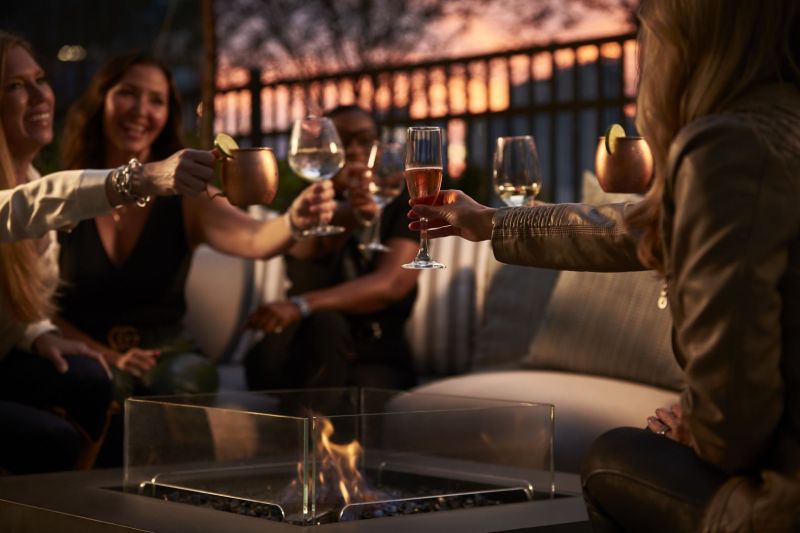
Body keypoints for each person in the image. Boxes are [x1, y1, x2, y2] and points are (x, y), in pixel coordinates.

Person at [409, 1, 800, 530]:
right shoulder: (782, 123)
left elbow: (732, 429)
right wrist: (489, 223)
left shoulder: (731, 142)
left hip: (781, 497)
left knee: (611, 461)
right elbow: (634, 228)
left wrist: (698, 428)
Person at [53, 52, 334, 465]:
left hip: (169, 353)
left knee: (183, 378)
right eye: (127, 94)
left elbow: (255, 238)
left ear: (168, 115)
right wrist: (107, 355)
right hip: (80, 349)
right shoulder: (63, 193)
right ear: (101, 101)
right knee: (99, 382)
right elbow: (36, 304)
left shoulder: (187, 196)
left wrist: (294, 221)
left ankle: (172, 507)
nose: (141, 111)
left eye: (156, 100)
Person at [0, 32, 215, 474]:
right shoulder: (49, 192)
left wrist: (36, 334)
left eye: (40, 79)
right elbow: (21, 209)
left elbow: (24, 303)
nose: (40, 95)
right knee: (55, 434)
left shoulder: (35, 175)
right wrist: (140, 179)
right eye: (15, 85)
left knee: (91, 381)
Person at [243, 105, 420, 391]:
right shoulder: (308, 203)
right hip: (303, 345)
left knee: (362, 384)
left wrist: (300, 306)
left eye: (364, 140)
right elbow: (305, 252)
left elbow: (392, 284)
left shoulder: (401, 204)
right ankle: (314, 430)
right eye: (341, 140)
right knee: (324, 327)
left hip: (375, 351)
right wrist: (349, 213)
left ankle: (308, 430)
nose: (352, 150)